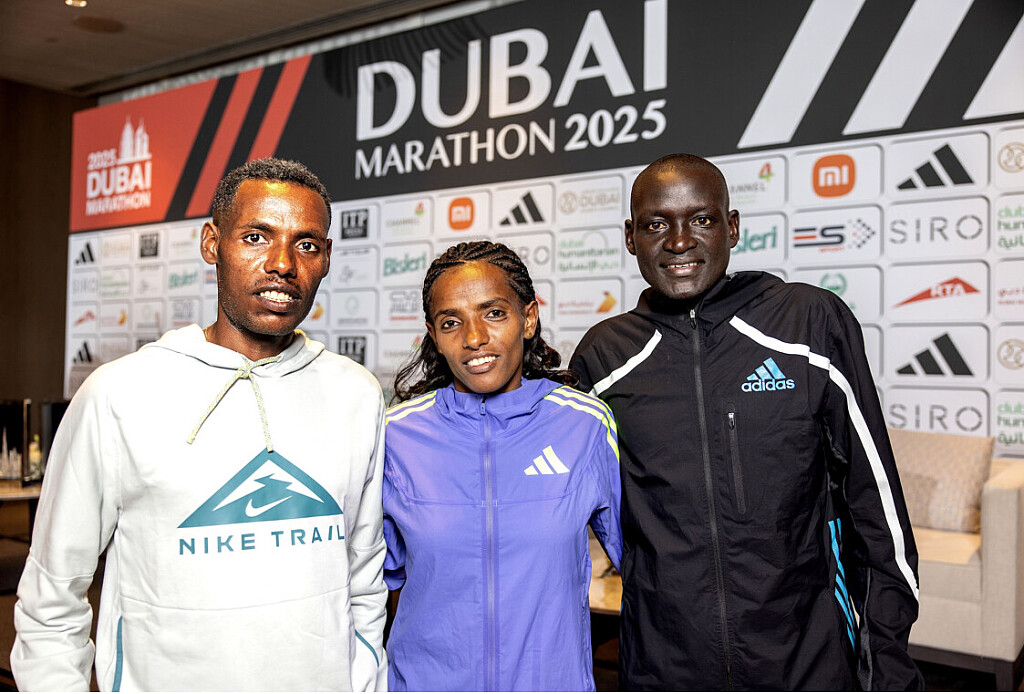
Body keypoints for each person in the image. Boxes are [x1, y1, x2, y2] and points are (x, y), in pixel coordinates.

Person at [12, 158, 389, 691]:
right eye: (256, 237)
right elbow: (52, 597)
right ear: (212, 244)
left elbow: (364, 579)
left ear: (326, 258)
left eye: (306, 244)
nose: (283, 264)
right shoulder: (119, 394)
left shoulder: (357, 395)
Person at [570, 153, 923, 690]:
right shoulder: (604, 356)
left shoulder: (807, 321)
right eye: (656, 224)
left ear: (731, 228)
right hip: (665, 666)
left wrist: (887, 667)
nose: (680, 241)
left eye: (701, 219)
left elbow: (875, 506)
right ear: (630, 237)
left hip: (806, 660)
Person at [383, 241, 621, 691]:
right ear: (433, 335)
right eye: (451, 322)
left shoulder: (584, 425)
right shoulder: (397, 435)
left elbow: (648, 570)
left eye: (493, 313)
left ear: (528, 319)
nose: (473, 338)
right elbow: (371, 586)